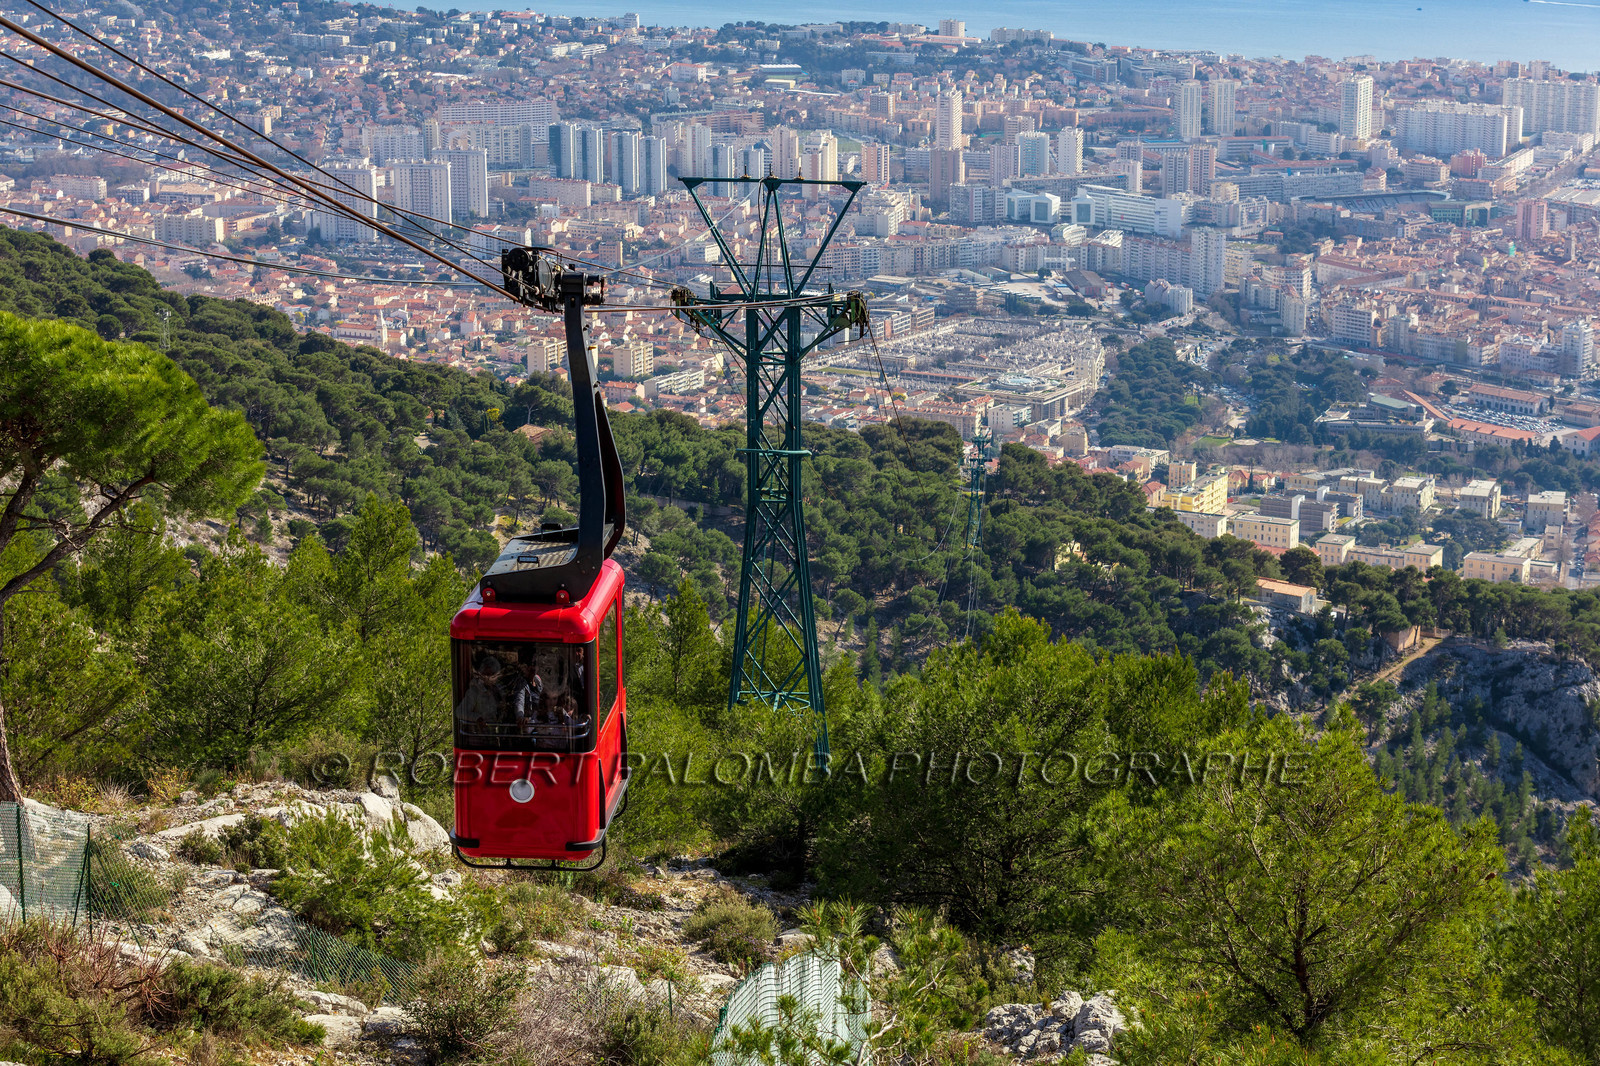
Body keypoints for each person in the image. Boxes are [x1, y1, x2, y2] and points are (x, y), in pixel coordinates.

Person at [455, 655, 505, 737]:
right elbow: (460, 712)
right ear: (481, 674)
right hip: (478, 738)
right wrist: (477, 718)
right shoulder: (475, 691)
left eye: (492, 674)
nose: (489, 677)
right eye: (486, 674)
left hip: (493, 737)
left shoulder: (498, 691)